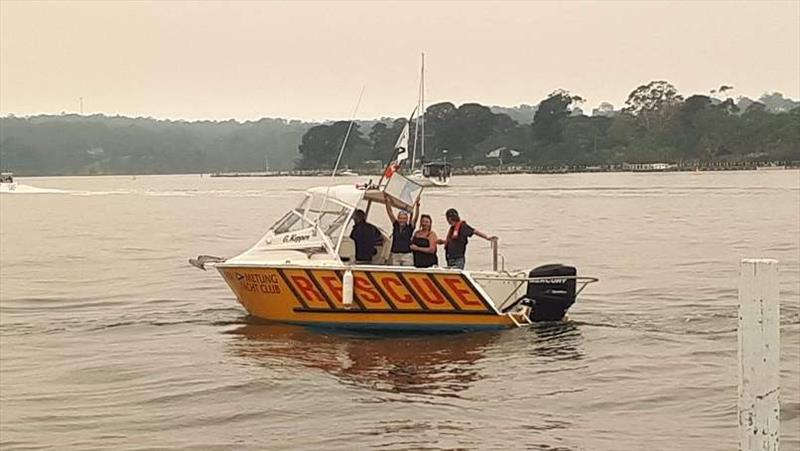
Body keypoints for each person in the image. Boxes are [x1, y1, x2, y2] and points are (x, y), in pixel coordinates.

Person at [383, 194, 419, 266]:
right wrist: (387, 201)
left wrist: (417, 205)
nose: (402, 220)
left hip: (406, 255)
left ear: (406, 219)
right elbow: (390, 213)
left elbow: (416, 217)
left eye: (404, 218)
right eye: (400, 218)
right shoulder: (396, 225)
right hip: (395, 254)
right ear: (398, 218)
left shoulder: (409, 227)